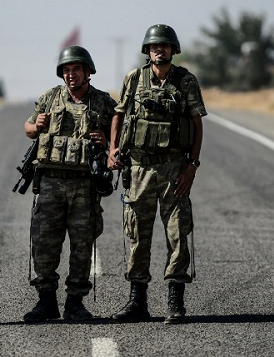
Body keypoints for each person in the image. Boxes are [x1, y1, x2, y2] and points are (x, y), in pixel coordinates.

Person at [107, 24, 207, 324]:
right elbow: (119, 114)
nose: (158, 50)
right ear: (147, 51)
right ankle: (138, 301)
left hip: (175, 167)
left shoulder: (185, 80)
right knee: (137, 233)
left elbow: (197, 124)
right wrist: (113, 150)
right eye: (153, 46)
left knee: (178, 232)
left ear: (173, 50)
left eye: (164, 46)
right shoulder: (134, 79)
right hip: (140, 168)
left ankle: (176, 301)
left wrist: (192, 165)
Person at [23, 45, 116, 322]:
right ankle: (46, 302)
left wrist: (106, 141)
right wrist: (37, 125)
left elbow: (119, 134)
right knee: (45, 243)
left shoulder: (102, 102)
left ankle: (75, 302)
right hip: (50, 182)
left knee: (82, 245)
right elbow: (28, 130)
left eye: (76, 69)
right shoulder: (50, 97)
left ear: (88, 71)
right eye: (66, 70)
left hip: (83, 185)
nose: (71, 74)